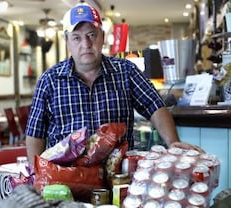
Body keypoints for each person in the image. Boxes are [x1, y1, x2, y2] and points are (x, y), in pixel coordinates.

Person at [25, 3, 202, 165]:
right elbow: (35, 133)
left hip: (119, 175)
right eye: (77, 38)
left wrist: (172, 142)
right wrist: (37, 175)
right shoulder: (50, 80)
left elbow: (155, 106)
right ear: (67, 42)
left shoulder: (126, 71)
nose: (86, 44)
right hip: (67, 176)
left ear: (102, 37)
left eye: (91, 35)